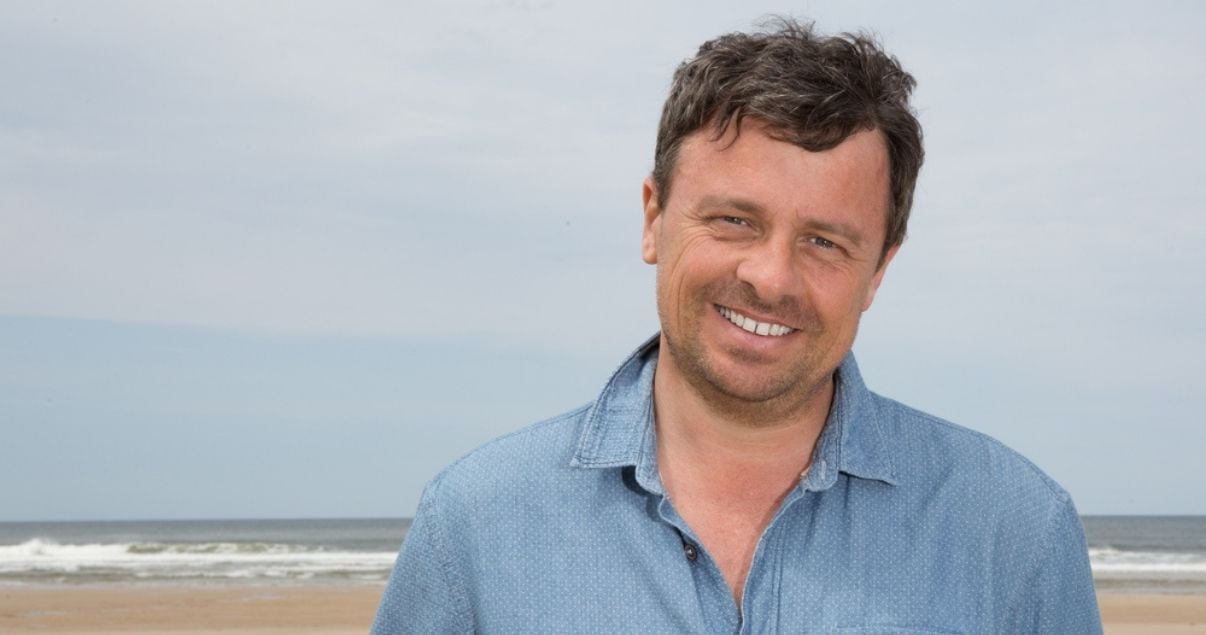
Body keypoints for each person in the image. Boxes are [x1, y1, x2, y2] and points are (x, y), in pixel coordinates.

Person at [372, 19, 1101, 634]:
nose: (771, 276)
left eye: (824, 241)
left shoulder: (1014, 533)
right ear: (653, 218)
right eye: (733, 219)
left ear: (878, 269)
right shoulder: (472, 525)